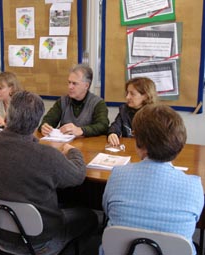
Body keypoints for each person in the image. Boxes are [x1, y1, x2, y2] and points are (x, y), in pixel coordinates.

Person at [0, 91, 99, 255]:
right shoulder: (46, 156)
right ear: (37, 121)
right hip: (39, 240)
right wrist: (73, 152)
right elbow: (78, 176)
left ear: (7, 115)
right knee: (89, 217)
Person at [102, 104, 204, 255]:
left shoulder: (117, 175)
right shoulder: (195, 186)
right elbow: (193, 221)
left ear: (138, 143)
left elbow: (107, 210)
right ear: (179, 144)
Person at [39, 63, 109, 137]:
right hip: (64, 145)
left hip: (87, 145)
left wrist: (81, 130)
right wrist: (45, 127)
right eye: (69, 82)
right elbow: (47, 121)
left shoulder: (98, 103)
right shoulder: (62, 101)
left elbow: (103, 126)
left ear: (86, 85)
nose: (70, 87)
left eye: (74, 83)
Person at [107, 77, 157, 146]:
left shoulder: (155, 114)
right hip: (128, 150)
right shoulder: (124, 110)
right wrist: (112, 133)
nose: (127, 97)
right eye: (127, 93)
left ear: (145, 96)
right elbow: (115, 126)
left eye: (132, 94)